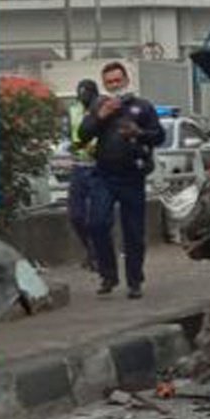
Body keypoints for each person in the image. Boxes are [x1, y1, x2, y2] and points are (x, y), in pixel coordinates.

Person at [78, 63, 165, 298]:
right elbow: (83, 134)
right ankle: (108, 275)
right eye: (110, 82)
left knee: (134, 232)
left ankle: (134, 281)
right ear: (104, 84)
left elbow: (159, 136)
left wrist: (139, 133)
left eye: (118, 80)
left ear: (126, 80)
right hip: (104, 175)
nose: (115, 85)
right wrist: (100, 116)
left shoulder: (142, 106)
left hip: (132, 176)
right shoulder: (98, 106)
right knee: (96, 223)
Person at [65, 79, 101, 270]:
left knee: (96, 217)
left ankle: (97, 255)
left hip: (98, 167)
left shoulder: (103, 107)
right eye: (81, 94)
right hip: (78, 166)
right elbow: (69, 135)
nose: (83, 97)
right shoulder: (73, 111)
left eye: (87, 93)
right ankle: (91, 250)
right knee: (76, 215)